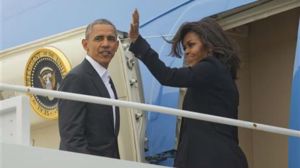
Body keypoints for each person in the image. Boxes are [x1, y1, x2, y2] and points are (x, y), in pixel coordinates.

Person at [129, 9, 248, 168]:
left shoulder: (210, 68)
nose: (186, 52)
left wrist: (138, 43)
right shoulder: (218, 74)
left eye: (191, 45)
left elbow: (167, 76)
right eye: (185, 47)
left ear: (209, 46)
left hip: (213, 159)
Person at [58, 19, 120, 158]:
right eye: (99, 39)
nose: (105, 44)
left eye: (110, 39)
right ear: (85, 44)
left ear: (116, 46)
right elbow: (71, 138)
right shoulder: (76, 78)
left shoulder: (106, 79)